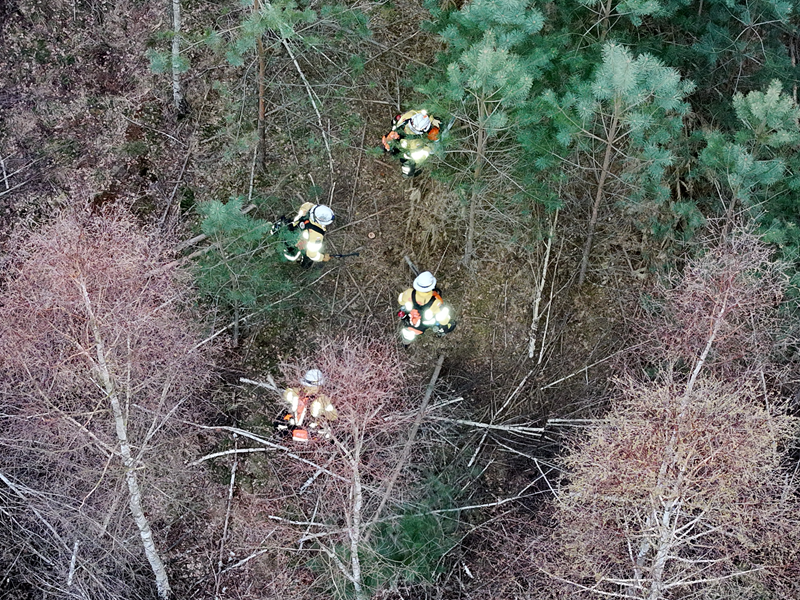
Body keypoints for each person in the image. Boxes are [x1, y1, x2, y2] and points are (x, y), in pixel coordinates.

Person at [276, 369, 338, 443]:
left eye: (311, 387)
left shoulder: (323, 400)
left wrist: (321, 409)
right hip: (294, 431)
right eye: (307, 386)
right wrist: (294, 398)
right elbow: (288, 393)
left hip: (311, 434)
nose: (308, 388)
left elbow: (333, 416)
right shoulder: (297, 393)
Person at [397, 271, 455, 344]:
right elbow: (444, 321)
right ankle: (446, 329)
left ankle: (405, 343)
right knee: (448, 325)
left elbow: (400, 301)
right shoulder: (436, 302)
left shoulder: (409, 293)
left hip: (409, 321)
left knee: (403, 310)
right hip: (424, 325)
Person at [381, 110, 442, 177]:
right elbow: (424, 152)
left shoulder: (410, 116)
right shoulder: (413, 143)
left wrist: (432, 119)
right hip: (405, 150)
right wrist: (432, 145)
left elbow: (421, 112)